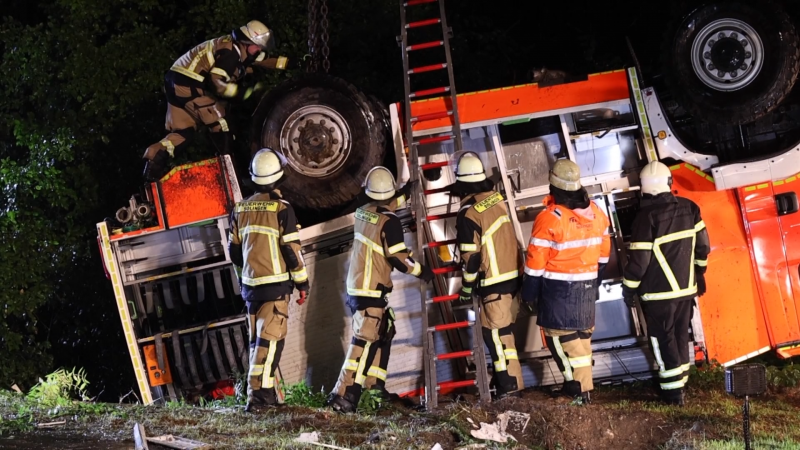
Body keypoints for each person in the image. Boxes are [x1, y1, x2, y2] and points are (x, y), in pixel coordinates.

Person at [327, 167, 434, 413]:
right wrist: (422, 271)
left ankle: (375, 389)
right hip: (370, 292)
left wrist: (405, 194)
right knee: (363, 344)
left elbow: (384, 207)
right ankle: (343, 397)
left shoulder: (363, 212)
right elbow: (399, 259)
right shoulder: (390, 222)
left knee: (383, 332)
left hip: (361, 288)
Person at [143, 20, 298, 181]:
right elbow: (218, 84)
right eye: (257, 47)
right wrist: (246, 94)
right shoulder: (229, 54)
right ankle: (228, 169)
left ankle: (153, 160)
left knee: (184, 132)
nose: (259, 50)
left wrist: (291, 62)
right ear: (247, 42)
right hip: (189, 82)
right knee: (221, 122)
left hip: (177, 81)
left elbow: (265, 60)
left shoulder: (238, 48)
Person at [521, 159, 610, 404]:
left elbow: (535, 263)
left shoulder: (550, 218)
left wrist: (528, 294)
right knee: (580, 344)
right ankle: (582, 392)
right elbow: (604, 256)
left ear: (552, 185)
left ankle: (576, 393)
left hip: (558, 293)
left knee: (560, 341)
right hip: (586, 290)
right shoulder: (596, 213)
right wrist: (593, 284)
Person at [622, 161, 710, 406]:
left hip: (658, 295)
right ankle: (681, 385)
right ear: (669, 183)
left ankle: (672, 394)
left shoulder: (645, 218)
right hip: (685, 291)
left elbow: (639, 262)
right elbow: (703, 247)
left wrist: (628, 289)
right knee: (681, 335)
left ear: (643, 188)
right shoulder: (690, 208)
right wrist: (699, 273)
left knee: (662, 339)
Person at [228, 148, 310, 412]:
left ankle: (263, 397)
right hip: (275, 288)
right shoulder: (281, 209)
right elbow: (291, 251)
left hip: (251, 289)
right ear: (278, 177)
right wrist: (302, 283)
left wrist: (253, 267)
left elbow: (234, 252)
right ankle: (260, 400)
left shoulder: (240, 209)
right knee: (272, 343)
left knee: (258, 344)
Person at [453, 152, 525, 400]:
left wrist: (465, 289)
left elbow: (471, 258)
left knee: (496, 335)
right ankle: (507, 382)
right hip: (513, 278)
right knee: (501, 333)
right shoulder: (496, 199)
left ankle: (510, 388)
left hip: (494, 283)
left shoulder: (468, 213)